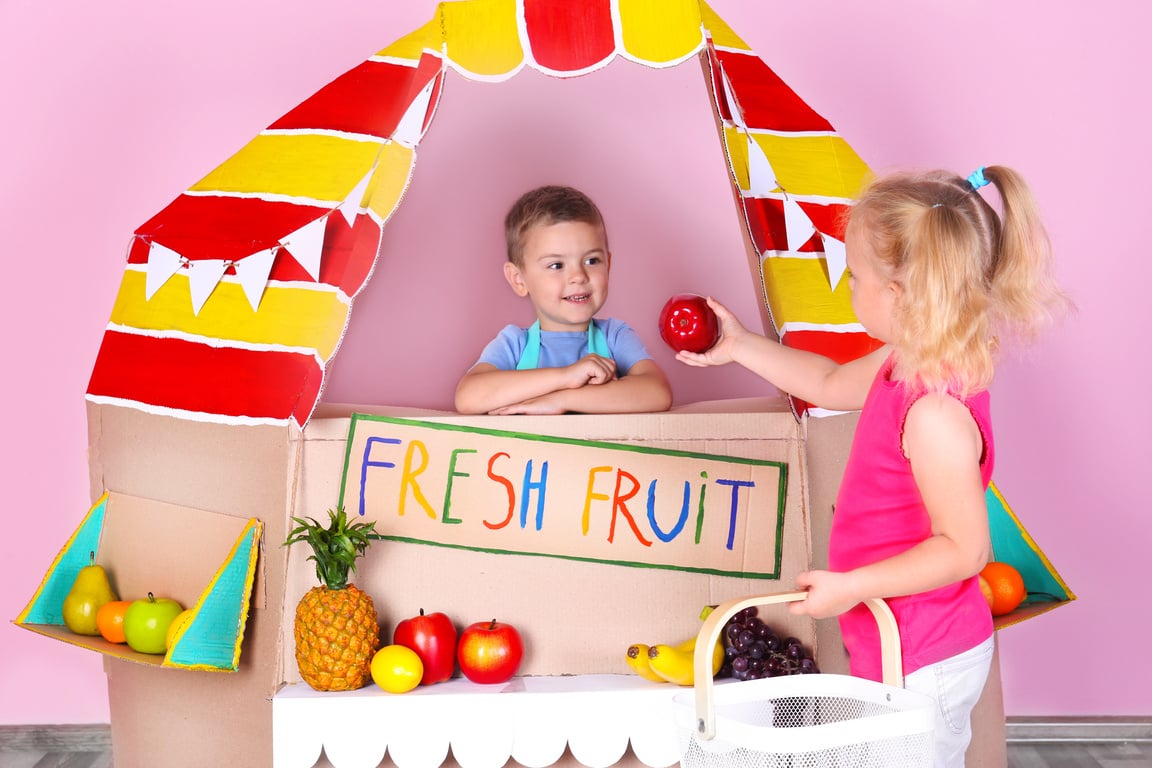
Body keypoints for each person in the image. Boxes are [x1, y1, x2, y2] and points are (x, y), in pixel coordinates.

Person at [676, 166, 1069, 767]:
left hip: (922, 651)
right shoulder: (905, 361)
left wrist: (852, 586)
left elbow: (966, 550)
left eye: (856, 277)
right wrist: (737, 346)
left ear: (901, 293)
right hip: (894, 640)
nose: (848, 289)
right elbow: (829, 383)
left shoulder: (934, 411)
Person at [455, 185, 673, 415]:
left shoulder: (615, 337)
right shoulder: (514, 344)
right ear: (519, 279)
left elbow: (657, 392)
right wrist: (567, 376)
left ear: (608, 265)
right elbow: (468, 397)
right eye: (556, 265)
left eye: (591, 260)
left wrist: (561, 400)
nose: (578, 276)